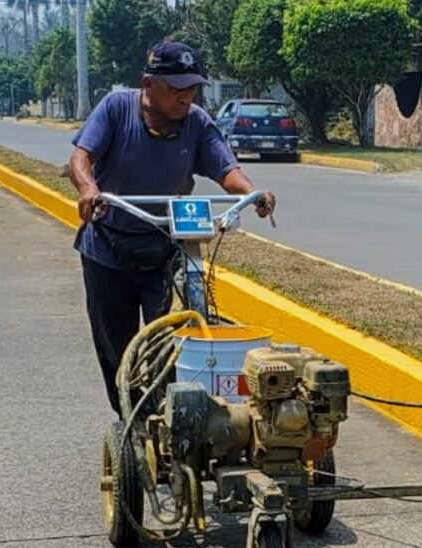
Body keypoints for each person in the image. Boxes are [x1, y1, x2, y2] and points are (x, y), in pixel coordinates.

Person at [67, 41, 276, 415]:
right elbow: (81, 156)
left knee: (172, 336)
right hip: (107, 249)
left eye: (192, 87)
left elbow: (225, 169)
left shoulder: (196, 121)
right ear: (149, 85)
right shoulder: (117, 109)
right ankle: (131, 422)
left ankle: (175, 415)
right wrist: (89, 189)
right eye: (178, 87)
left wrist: (252, 193)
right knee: (118, 347)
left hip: (164, 247)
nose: (187, 96)